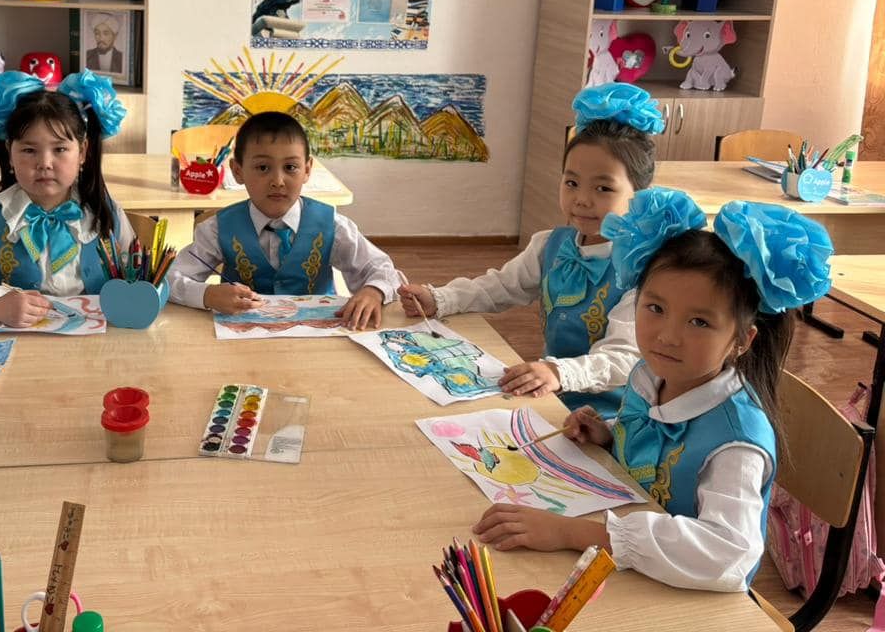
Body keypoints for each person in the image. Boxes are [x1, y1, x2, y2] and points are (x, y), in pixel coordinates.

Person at [473, 188, 833, 592]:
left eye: (699, 322)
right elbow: (661, 447)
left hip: (686, 598)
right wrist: (611, 434)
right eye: (656, 309)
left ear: (742, 340)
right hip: (630, 567)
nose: (667, 336)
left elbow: (728, 553)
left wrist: (572, 533)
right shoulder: (652, 375)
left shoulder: (736, 444)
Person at [399, 83, 664, 415]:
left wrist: (558, 372)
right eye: (571, 183)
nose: (582, 199)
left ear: (640, 194)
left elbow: (624, 357)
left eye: (603, 188)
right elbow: (500, 286)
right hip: (552, 398)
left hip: (615, 416)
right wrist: (441, 298)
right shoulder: (550, 244)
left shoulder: (644, 269)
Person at [0, 70, 136, 325]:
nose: (44, 163)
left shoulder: (105, 212)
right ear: (10, 152)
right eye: (29, 150)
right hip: (18, 340)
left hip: (99, 343)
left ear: (83, 152)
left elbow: (142, 273)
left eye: (60, 149)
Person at [166, 111, 402, 330]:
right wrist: (206, 294)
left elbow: (384, 270)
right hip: (242, 346)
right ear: (237, 171)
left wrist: (374, 291)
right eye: (262, 167)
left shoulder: (332, 226)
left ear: (307, 170)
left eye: (290, 167)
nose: (278, 181)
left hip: (318, 343)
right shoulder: (218, 229)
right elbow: (168, 278)